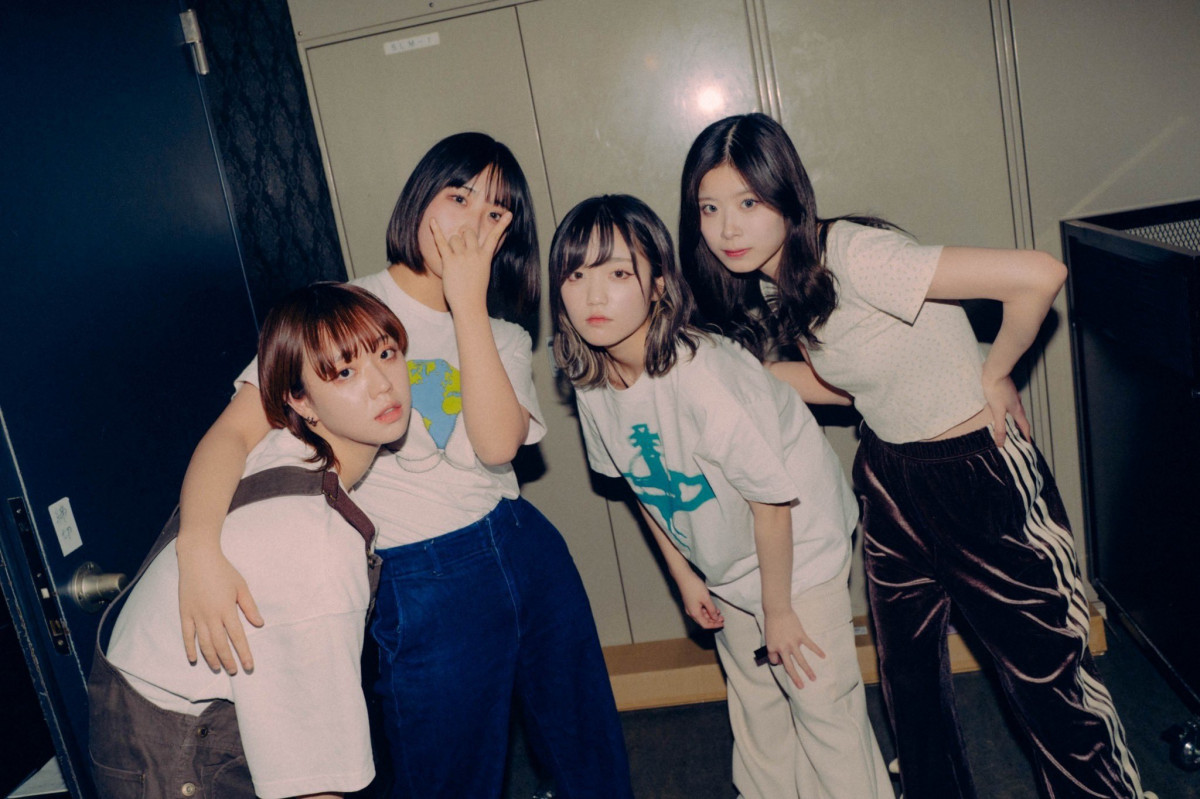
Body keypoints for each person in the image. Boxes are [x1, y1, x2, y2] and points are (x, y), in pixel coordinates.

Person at [678, 112, 1148, 799]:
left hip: (977, 474)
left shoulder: (854, 253)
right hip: (891, 477)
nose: (727, 229)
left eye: (748, 203)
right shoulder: (781, 280)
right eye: (710, 208)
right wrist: (747, 372)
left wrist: (996, 371)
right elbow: (855, 383)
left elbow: (1039, 274)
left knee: (1047, 679)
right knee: (909, 687)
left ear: (786, 192)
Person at [172, 133, 632, 799]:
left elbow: (497, 447)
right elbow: (231, 434)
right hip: (420, 572)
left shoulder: (503, 333)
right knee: (448, 773)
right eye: (459, 197)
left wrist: (467, 303)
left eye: (495, 212)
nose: (471, 222)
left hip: (523, 544)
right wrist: (197, 546)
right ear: (420, 198)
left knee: (587, 748)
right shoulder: (345, 310)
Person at [551, 194, 893, 799]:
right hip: (726, 557)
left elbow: (772, 503)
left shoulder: (704, 375)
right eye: (576, 276)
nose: (594, 297)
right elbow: (642, 487)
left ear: (658, 284)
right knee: (758, 704)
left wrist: (779, 609)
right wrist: (684, 576)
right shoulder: (594, 379)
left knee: (820, 705)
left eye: (618, 274)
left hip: (798, 546)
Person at [89, 282, 412, 799]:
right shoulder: (314, 548)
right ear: (299, 400)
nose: (382, 386)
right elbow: (313, 782)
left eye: (387, 354)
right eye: (345, 372)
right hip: (173, 752)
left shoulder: (280, 445)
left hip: (136, 707)